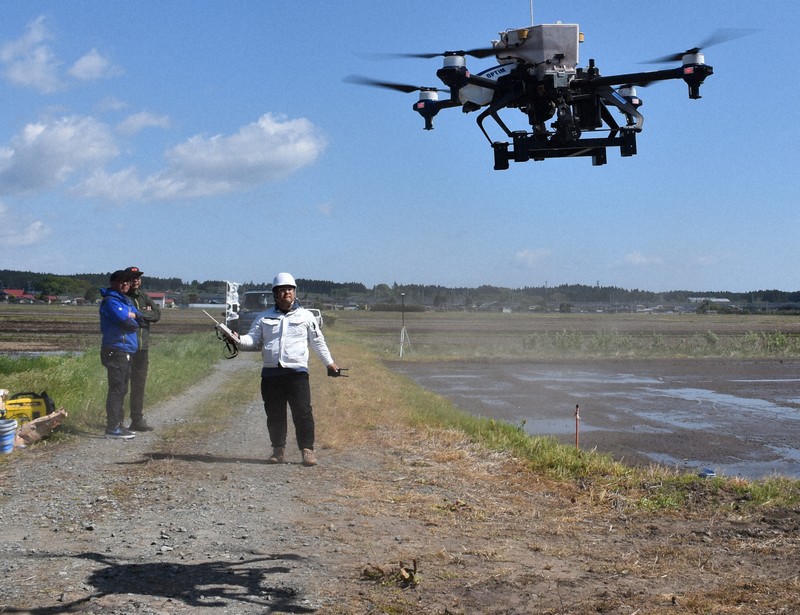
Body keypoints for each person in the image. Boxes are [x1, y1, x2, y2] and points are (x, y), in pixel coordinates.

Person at [228, 272, 340, 466]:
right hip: (271, 374)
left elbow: (318, 342)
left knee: (303, 412)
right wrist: (236, 338)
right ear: (275, 294)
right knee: (275, 414)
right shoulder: (263, 318)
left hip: (297, 373)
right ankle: (278, 450)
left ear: (295, 293)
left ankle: (307, 451)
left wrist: (329, 363)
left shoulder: (307, 316)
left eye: (289, 289)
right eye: (281, 290)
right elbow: (252, 340)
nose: (285, 293)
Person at [99, 270, 141, 439]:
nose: (125, 284)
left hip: (126, 350)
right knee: (117, 389)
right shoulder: (110, 301)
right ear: (112, 283)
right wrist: (132, 317)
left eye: (127, 281)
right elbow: (128, 323)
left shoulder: (125, 301)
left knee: (122, 388)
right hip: (116, 349)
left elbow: (140, 318)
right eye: (121, 281)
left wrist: (134, 315)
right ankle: (112, 427)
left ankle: (119, 424)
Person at [124, 266, 161, 432]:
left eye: (138, 277)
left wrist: (139, 314)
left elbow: (157, 315)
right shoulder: (123, 297)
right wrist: (144, 314)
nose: (136, 280)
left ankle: (137, 420)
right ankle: (117, 422)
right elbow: (125, 316)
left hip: (142, 348)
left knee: (139, 385)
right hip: (126, 347)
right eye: (133, 278)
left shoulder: (144, 296)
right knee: (122, 385)